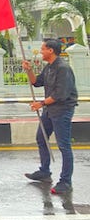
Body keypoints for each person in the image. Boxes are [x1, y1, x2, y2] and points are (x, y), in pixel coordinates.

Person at [23, 39, 78, 194]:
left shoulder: (63, 68)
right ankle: (44, 172)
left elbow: (60, 95)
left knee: (64, 146)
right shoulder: (49, 67)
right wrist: (29, 70)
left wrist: (41, 103)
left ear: (51, 51)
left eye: (43, 49)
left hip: (62, 110)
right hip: (50, 109)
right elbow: (36, 82)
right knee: (41, 138)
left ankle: (66, 182)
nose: (41, 51)